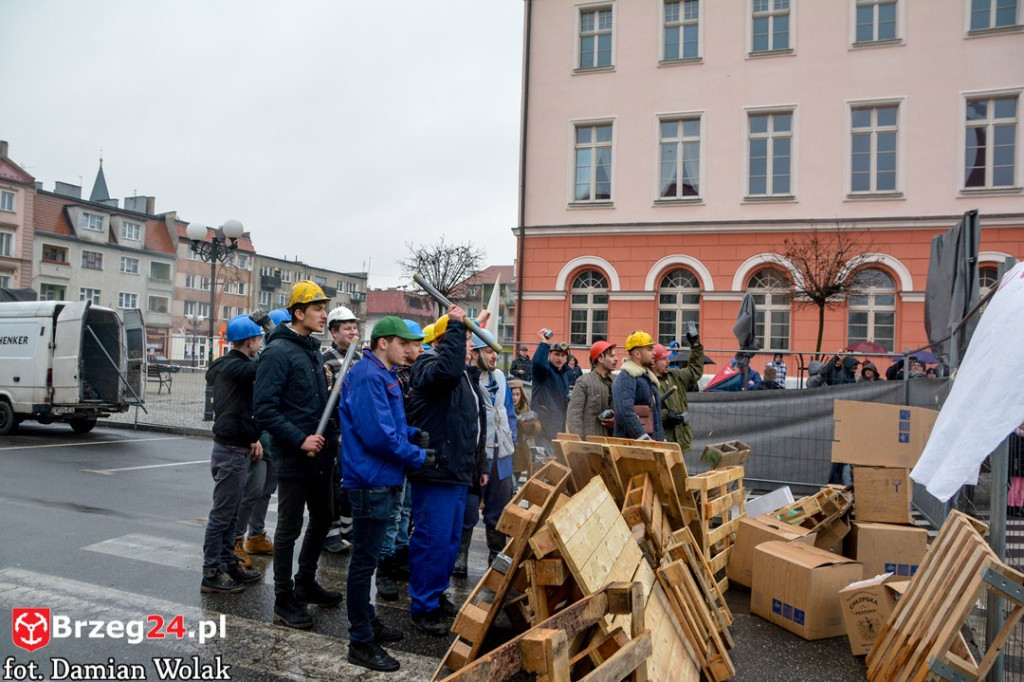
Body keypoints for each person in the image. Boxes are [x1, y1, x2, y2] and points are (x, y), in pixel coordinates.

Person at [339, 316, 428, 672]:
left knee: (370, 558)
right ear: (383, 343)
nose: (410, 350)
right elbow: (378, 435)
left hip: (379, 477)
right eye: (404, 343)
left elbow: (389, 424)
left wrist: (412, 433)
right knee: (363, 561)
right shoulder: (369, 376)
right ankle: (360, 641)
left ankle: (367, 620)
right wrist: (418, 455)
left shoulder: (382, 373)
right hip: (370, 480)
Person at [254, 281, 341, 629]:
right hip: (294, 457)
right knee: (289, 529)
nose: (324, 315)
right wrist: (299, 440)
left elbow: (314, 403)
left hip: (320, 456)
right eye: (318, 309)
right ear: (298, 313)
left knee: (323, 518)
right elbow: (264, 410)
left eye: (324, 308)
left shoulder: (311, 349)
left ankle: (305, 582)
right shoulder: (278, 352)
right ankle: (283, 598)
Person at [406, 307, 487, 637]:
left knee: (449, 542)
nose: (471, 345)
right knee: (432, 541)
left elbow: (473, 426)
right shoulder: (429, 364)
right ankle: (423, 606)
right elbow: (447, 372)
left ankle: (436, 593)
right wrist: (456, 326)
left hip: (456, 471)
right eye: (466, 338)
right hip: (436, 470)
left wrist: (477, 467)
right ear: (445, 339)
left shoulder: (464, 375)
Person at [200, 315, 265, 593]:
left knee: (231, 514)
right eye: (259, 340)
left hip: (236, 448)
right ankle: (210, 573)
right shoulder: (235, 367)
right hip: (230, 450)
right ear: (249, 342)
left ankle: (227, 563)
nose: (260, 345)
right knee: (222, 515)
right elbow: (261, 368)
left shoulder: (233, 366)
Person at [455, 333, 518, 575]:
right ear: (475, 353)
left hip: (502, 455)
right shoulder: (466, 378)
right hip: (477, 456)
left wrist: (512, 442)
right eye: (489, 352)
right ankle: (461, 556)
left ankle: (496, 555)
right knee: (469, 509)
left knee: (499, 509)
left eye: (496, 353)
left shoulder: (500, 378)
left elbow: (509, 413)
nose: (494, 357)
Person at [375, 319, 425, 601]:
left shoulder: (411, 372)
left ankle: (399, 557)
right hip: (398, 452)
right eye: (411, 344)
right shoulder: (393, 376)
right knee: (393, 513)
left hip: (408, 450)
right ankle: (385, 567)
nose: (416, 350)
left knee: (405, 510)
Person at [322, 305, 362, 555]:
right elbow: (327, 399)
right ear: (334, 332)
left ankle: (349, 529)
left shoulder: (361, 358)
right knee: (335, 484)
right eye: (347, 328)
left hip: (356, 433)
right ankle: (331, 533)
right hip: (338, 432)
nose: (353, 332)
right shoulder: (326, 360)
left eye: (354, 327)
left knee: (351, 483)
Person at [653, 324, 705, 452]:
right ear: (653, 363)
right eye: (663, 359)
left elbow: (694, 370)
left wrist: (695, 346)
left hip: (680, 440)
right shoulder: (648, 382)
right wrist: (666, 416)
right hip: (663, 443)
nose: (668, 361)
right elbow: (645, 411)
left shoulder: (675, 376)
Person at [613, 330, 663, 442]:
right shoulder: (626, 377)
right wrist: (643, 438)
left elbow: (656, 418)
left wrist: (661, 439)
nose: (654, 353)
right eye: (650, 349)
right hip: (632, 447)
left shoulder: (647, 378)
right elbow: (624, 412)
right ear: (637, 354)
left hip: (647, 445)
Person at [565, 341, 617, 440]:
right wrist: (580, 443)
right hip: (591, 443)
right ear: (600, 359)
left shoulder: (617, 381)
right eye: (611, 356)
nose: (616, 359)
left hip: (614, 442)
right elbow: (574, 416)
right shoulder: (584, 382)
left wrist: (616, 420)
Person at [531, 332, 571, 453]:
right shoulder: (544, 372)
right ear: (549, 355)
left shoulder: (563, 374)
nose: (560, 358)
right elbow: (538, 363)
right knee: (545, 462)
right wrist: (544, 343)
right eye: (556, 354)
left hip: (558, 428)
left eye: (563, 355)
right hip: (544, 430)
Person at [508, 379, 541, 477]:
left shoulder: (525, 407)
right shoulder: (504, 408)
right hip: (509, 449)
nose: (515, 398)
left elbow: (536, 427)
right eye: (512, 394)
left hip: (522, 450)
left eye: (517, 394)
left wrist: (529, 426)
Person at [1009, 425, 1024, 518]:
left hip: (1021, 465)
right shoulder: (1015, 436)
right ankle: (1011, 506)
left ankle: (1018, 506)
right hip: (1017, 465)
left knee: (1022, 488)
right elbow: (1013, 452)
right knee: (1015, 487)